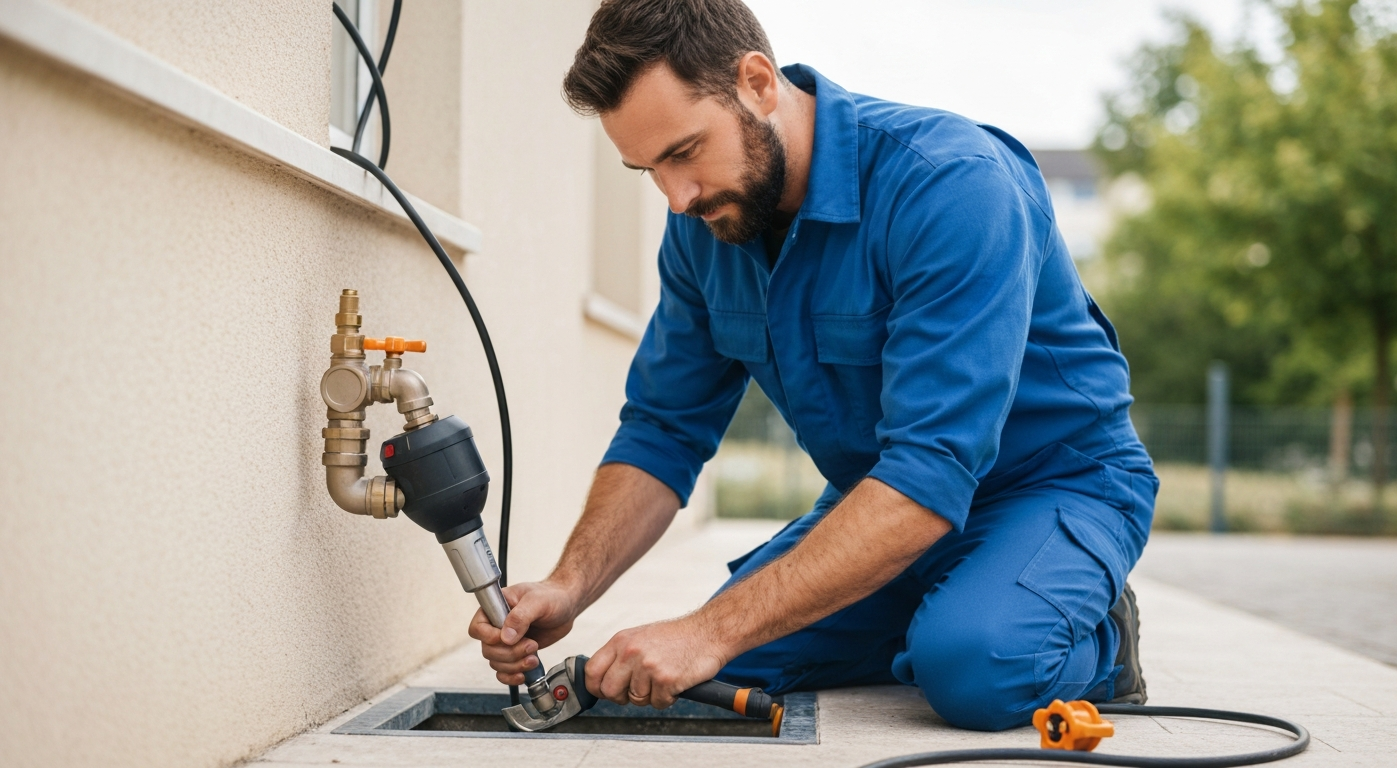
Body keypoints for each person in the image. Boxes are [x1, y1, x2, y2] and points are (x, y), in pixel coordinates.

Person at [468, 0, 1159, 731]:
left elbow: (931, 467)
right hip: (883, 501)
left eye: (683, 152)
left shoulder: (952, 186)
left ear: (758, 83)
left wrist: (707, 630)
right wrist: (572, 585)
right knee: (715, 666)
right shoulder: (707, 231)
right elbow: (663, 430)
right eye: (647, 170)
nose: (677, 198)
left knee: (974, 669)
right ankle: (941, 610)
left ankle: (1100, 641)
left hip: (1051, 486)